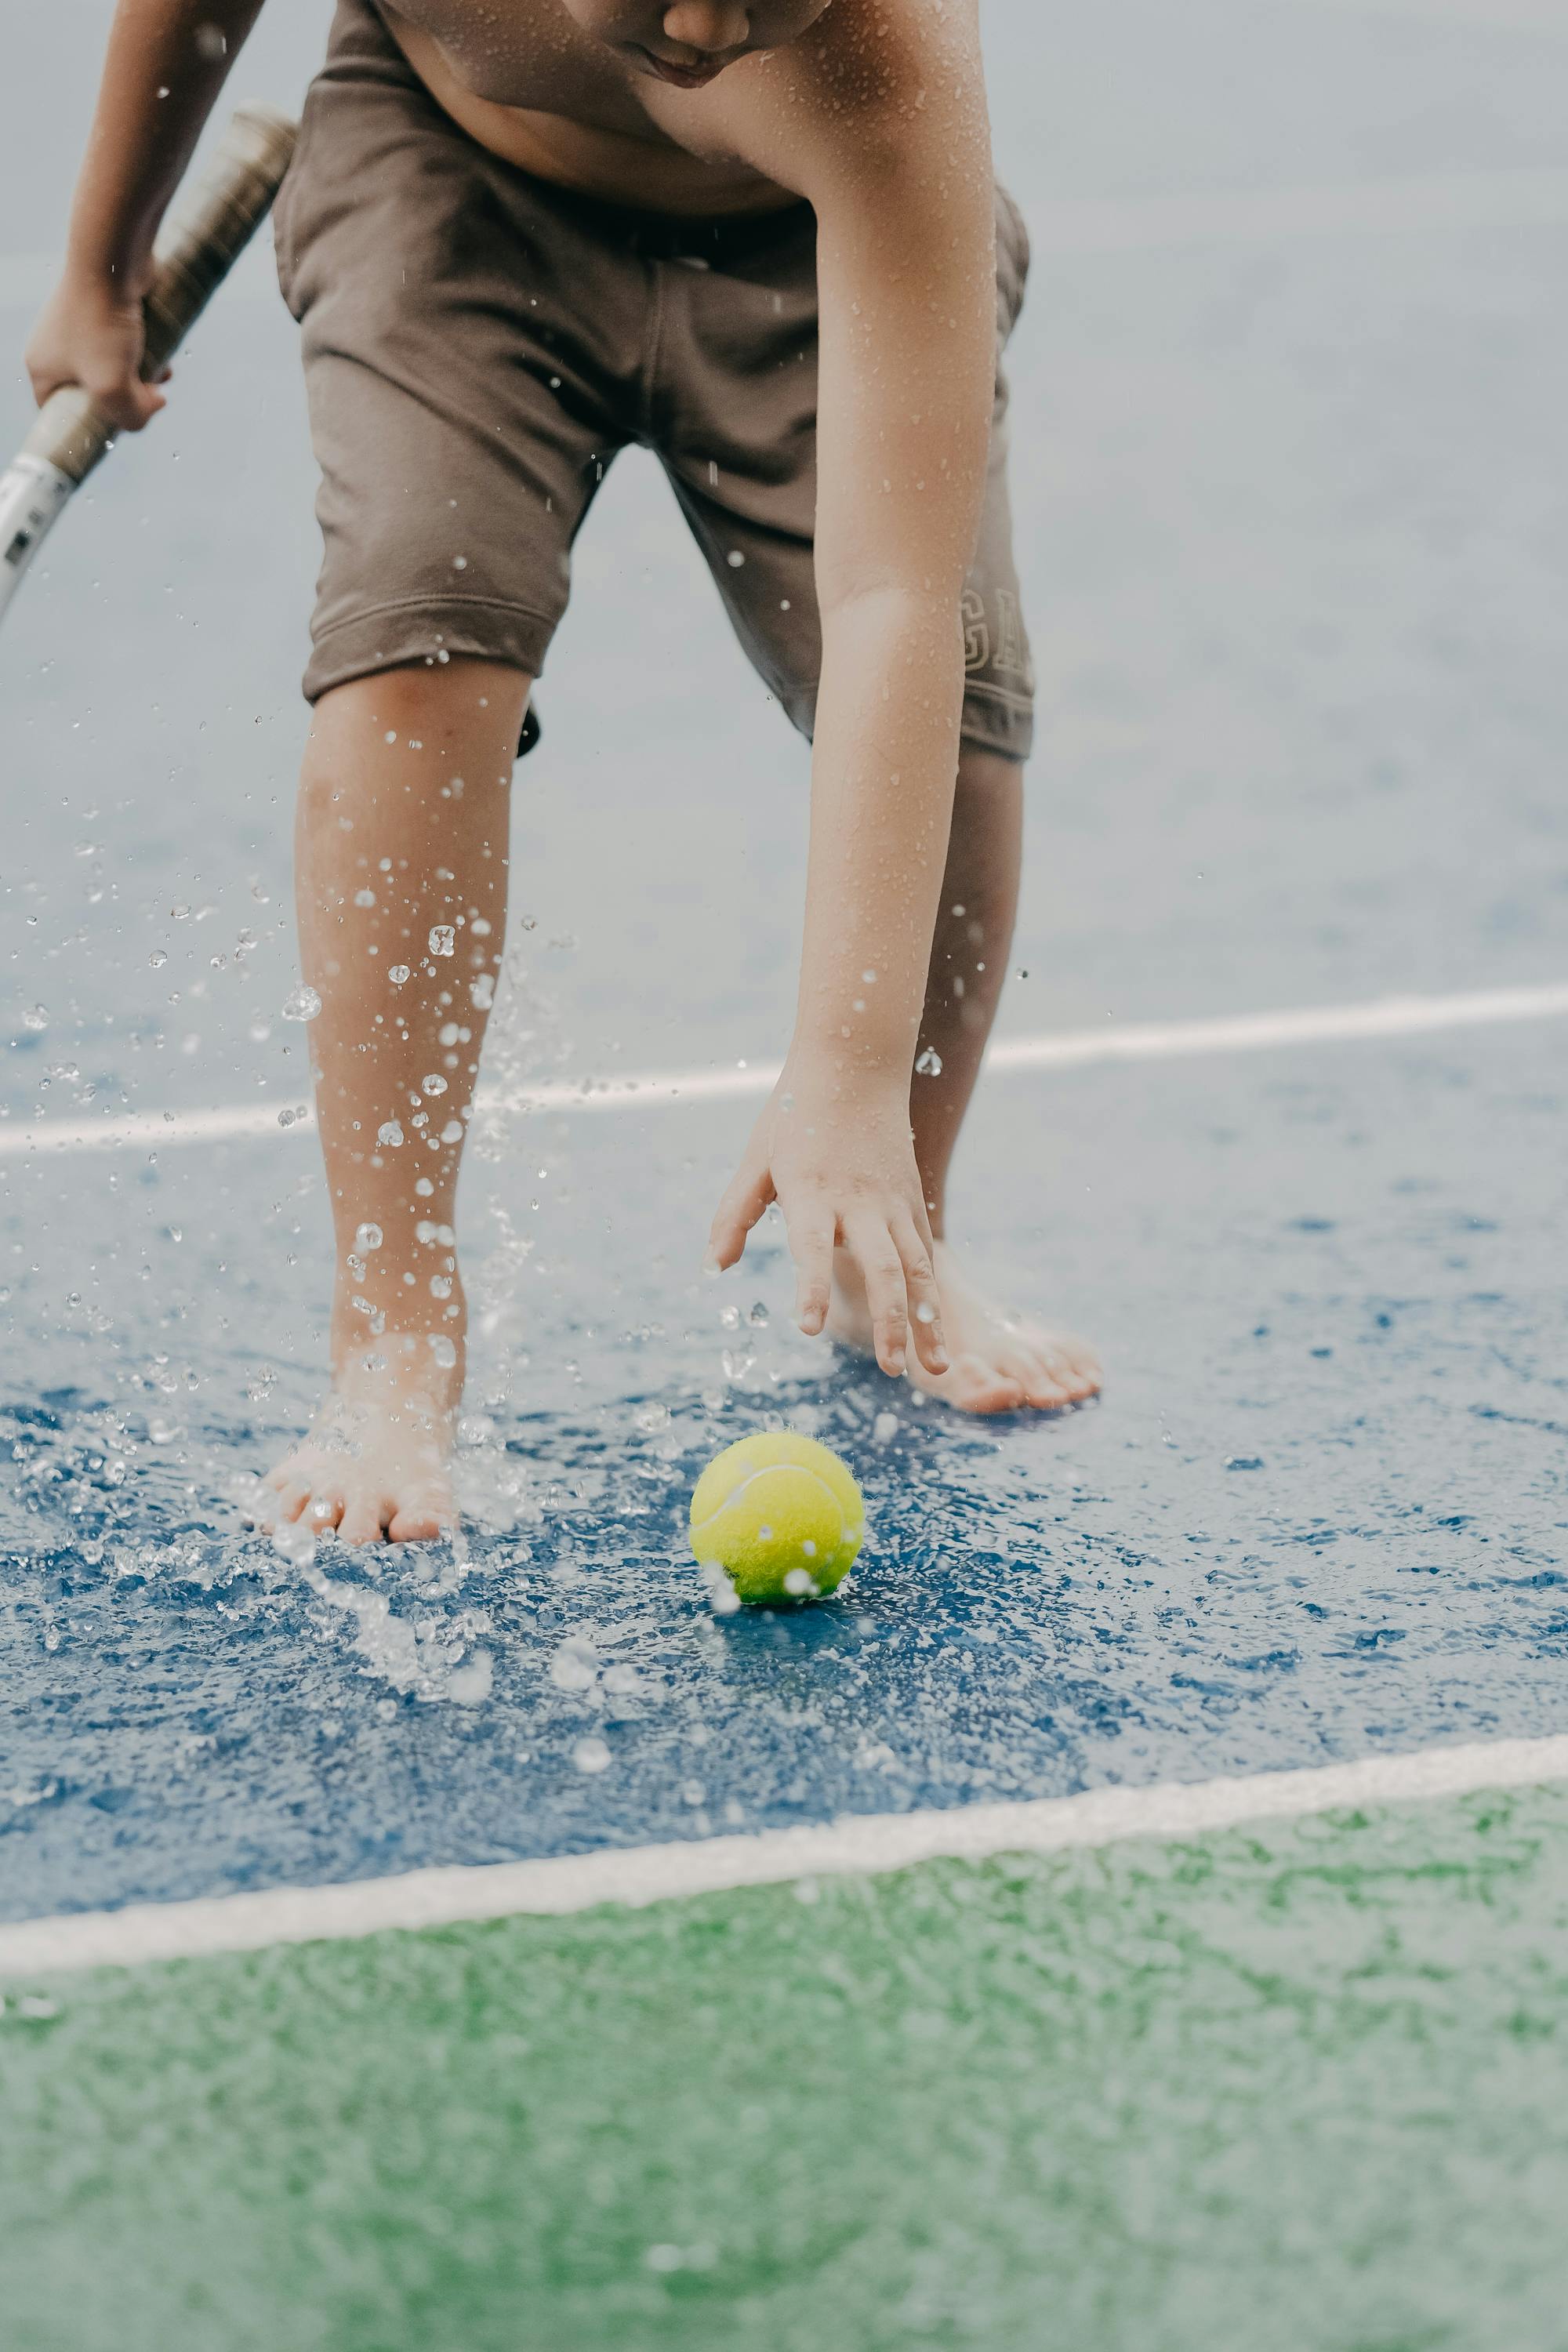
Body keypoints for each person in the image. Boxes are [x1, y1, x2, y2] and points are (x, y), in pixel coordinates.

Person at [27, 0, 1101, 1545]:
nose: (703, 26)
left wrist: (849, 1068)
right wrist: (99, 261)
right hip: (456, 174)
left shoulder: (892, 55)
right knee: (414, 648)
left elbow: (892, 599)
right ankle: (393, 1333)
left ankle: (890, 1238)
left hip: (808, 242)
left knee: (962, 721)